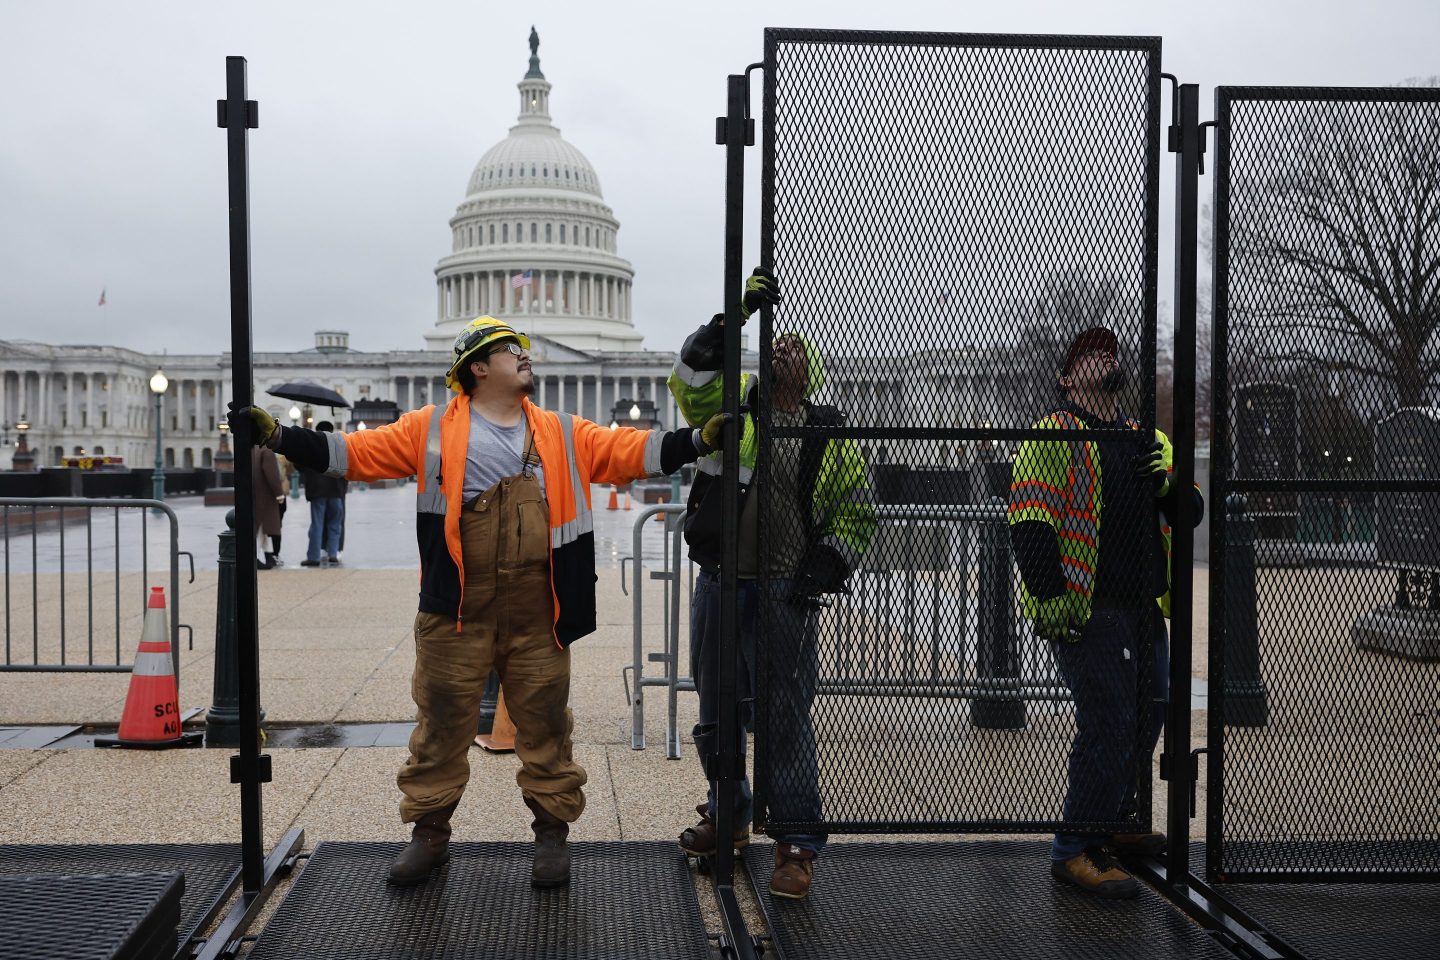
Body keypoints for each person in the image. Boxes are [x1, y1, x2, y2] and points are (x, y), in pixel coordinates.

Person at [232, 316, 724, 888]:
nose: (526, 356)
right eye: (511, 349)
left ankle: (551, 835)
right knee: (440, 722)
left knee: (545, 723)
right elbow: (351, 453)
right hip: (457, 605)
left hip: (541, 604)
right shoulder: (431, 428)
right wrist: (278, 437)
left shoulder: (562, 430)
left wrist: (694, 441)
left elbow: (631, 451)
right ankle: (430, 833)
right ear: (479, 367)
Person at [668, 267, 875, 900]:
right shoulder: (732, 411)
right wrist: (737, 314)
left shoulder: (828, 431)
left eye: (796, 347)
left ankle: (795, 842)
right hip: (724, 581)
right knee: (715, 710)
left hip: (789, 588)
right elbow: (693, 370)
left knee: (787, 717)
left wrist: (825, 568)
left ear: (811, 369)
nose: (785, 351)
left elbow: (858, 510)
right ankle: (728, 810)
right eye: (775, 345)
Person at [1008, 326, 1204, 899]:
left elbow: (1187, 508)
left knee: (1151, 715)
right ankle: (1074, 848)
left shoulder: (1146, 439)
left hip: (1142, 605)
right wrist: (1051, 598)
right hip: (1087, 607)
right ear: (1067, 379)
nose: (1106, 357)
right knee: (1110, 722)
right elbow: (1030, 517)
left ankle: (1114, 822)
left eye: (1112, 352)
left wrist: (1164, 481)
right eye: (1091, 354)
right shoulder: (1054, 432)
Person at [300, 422, 346, 567]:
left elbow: (300, 465)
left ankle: (314, 557)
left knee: (317, 524)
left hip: (317, 491)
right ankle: (333, 554)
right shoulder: (340, 446)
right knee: (335, 524)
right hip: (336, 491)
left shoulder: (311, 446)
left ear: (317, 430)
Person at [252, 445, 284, 570]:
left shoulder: (253, 450)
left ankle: (269, 555)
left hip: (254, 494)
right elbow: (272, 475)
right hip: (266, 496)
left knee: (263, 529)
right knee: (260, 528)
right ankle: (253, 557)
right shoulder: (267, 452)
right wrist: (279, 493)